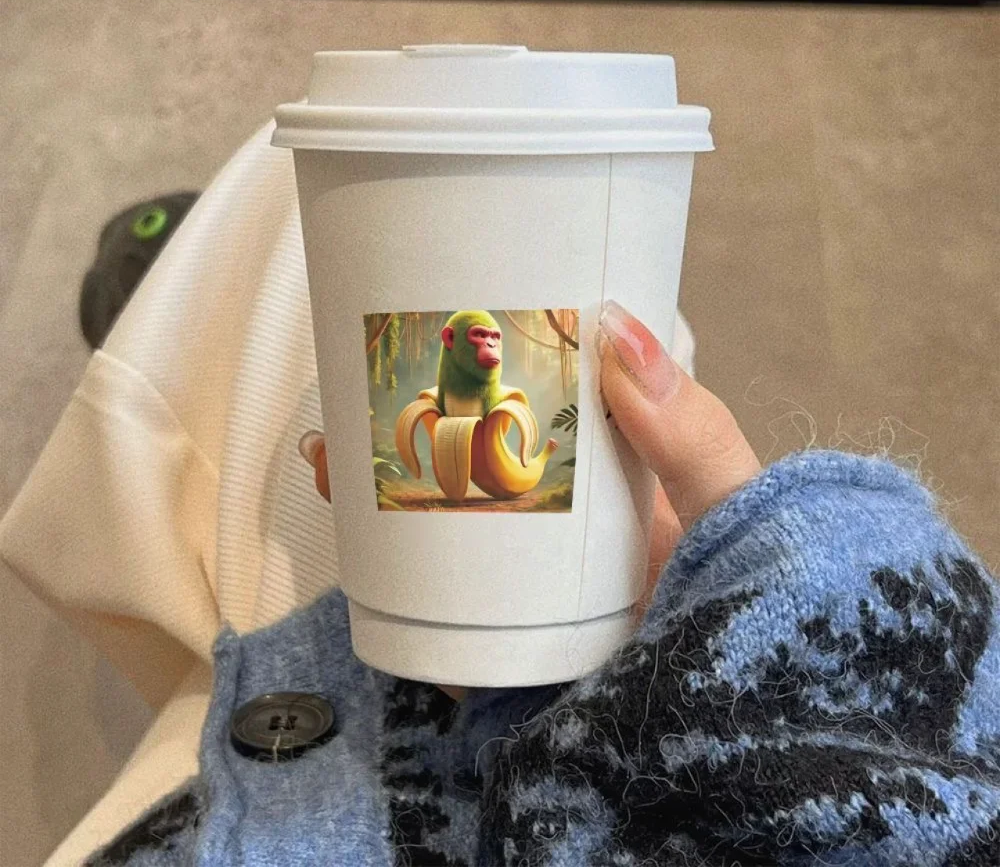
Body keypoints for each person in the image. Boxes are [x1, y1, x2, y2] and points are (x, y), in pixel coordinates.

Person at [85, 299, 1000, 866]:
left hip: (332, 775)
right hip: (499, 723)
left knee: (274, 260)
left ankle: (159, 314)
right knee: (612, 355)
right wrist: (841, 666)